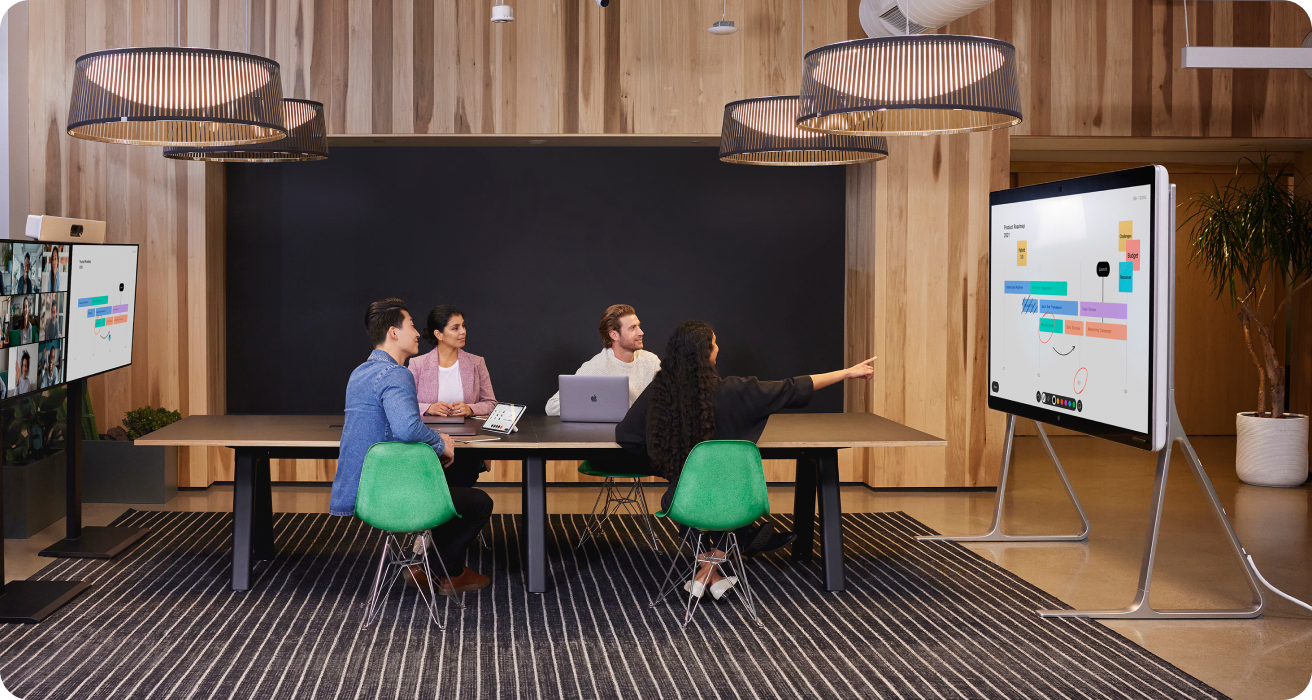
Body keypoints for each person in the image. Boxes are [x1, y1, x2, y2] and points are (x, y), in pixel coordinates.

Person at [617, 321, 875, 599]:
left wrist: (666, 462)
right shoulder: (738, 391)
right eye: (715, 344)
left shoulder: (659, 393)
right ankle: (722, 565)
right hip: (739, 502)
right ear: (707, 354)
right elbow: (793, 387)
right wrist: (848, 373)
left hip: (682, 500)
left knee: (682, 493)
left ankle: (706, 574)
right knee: (738, 516)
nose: (720, 347)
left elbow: (627, 436)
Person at [330, 298, 493, 596]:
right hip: (398, 492)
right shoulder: (397, 373)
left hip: (367, 491)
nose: (418, 333)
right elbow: (407, 428)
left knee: (449, 490)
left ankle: (430, 569)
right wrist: (440, 442)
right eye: (412, 326)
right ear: (394, 332)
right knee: (479, 503)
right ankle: (440, 571)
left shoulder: (359, 373)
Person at [408, 304, 498, 488]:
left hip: (467, 443)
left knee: (461, 485)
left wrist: (470, 408)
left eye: (463, 326)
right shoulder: (417, 364)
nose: (462, 332)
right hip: (428, 443)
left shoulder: (476, 362)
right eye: (455, 328)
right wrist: (428, 408)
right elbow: (404, 405)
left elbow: (491, 403)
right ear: (438, 334)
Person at [545, 304, 661, 416]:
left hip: (645, 433)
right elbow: (552, 406)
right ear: (614, 335)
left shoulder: (652, 362)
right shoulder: (596, 367)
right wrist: (599, 408)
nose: (641, 332)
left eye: (639, 326)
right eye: (632, 328)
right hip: (608, 434)